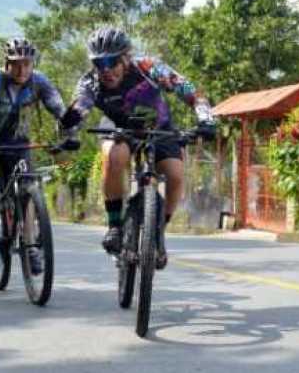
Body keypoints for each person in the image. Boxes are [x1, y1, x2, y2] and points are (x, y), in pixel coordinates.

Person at [60, 27, 215, 268]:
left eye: (112, 62)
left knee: (174, 174)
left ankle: (158, 231)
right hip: (119, 128)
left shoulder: (148, 68)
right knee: (115, 155)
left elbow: (191, 91)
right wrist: (70, 125)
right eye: (99, 64)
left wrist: (205, 119)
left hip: (158, 125)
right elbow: (80, 107)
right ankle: (114, 226)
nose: (106, 70)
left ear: (126, 58)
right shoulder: (90, 82)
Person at [0, 37, 78, 272]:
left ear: (33, 64)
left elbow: (60, 110)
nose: (22, 69)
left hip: (17, 138)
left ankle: (30, 244)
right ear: (6, 63)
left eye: (27, 63)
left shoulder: (40, 82)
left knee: (29, 184)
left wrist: (70, 135)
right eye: (16, 63)